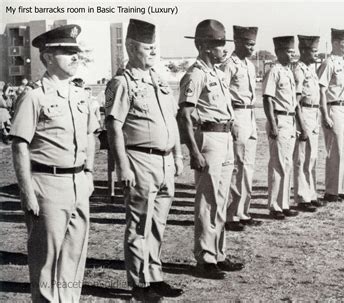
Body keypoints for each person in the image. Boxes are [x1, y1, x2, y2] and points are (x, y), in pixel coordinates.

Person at [10, 24, 99, 302]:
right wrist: (27, 192)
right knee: (46, 262)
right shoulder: (34, 95)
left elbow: (90, 134)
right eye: (66, 52)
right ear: (47, 57)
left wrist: (89, 172)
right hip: (47, 185)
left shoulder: (80, 94)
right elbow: (20, 144)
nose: (75, 57)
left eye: (76, 51)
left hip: (77, 184)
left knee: (74, 258)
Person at [105, 19, 184, 300]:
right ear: (130, 47)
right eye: (146, 47)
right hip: (139, 160)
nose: (153, 52)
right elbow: (113, 126)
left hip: (164, 161)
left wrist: (177, 154)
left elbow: (172, 122)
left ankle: (155, 274)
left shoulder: (159, 81)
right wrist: (122, 167)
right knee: (139, 224)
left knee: (158, 223)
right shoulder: (121, 83)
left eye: (154, 47)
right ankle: (140, 283)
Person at [179, 19, 244, 280]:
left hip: (224, 137)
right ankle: (205, 257)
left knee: (222, 198)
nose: (223, 49)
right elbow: (184, 114)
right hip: (208, 138)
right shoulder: (195, 74)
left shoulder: (217, 72)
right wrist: (193, 151)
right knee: (207, 200)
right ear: (204, 46)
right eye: (218, 44)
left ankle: (218, 252)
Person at [219, 25, 262, 231]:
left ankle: (243, 211)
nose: (252, 48)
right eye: (248, 44)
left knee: (248, 167)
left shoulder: (250, 66)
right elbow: (223, 94)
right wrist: (230, 120)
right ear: (237, 42)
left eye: (253, 44)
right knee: (236, 167)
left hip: (250, 115)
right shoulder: (230, 65)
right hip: (237, 115)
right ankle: (230, 215)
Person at [262, 36, 302, 220]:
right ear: (278, 52)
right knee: (278, 164)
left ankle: (284, 203)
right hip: (279, 119)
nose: (292, 54)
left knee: (287, 164)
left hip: (290, 120)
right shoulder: (274, 71)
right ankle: (275, 206)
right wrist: (273, 123)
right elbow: (267, 99)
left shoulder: (288, 72)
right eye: (288, 51)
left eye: (293, 51)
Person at [317, 28, 344, 203]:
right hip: (333, 109)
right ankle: (331, 191)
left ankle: (340, 188)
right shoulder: (328, 63)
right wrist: (325, 114)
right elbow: (321, 90)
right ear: (335, 43)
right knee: (335, 151)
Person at [292, 35, 326, 212]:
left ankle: (311, 194)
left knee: (312, 157)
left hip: (313, 113)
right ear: (303, 51)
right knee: (302, 158)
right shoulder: (299, 70)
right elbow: (295, 101)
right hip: (304, 113)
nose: (316, 54)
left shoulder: (311, 69)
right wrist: (301, 125)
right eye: (313, 51)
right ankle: (302, 197)